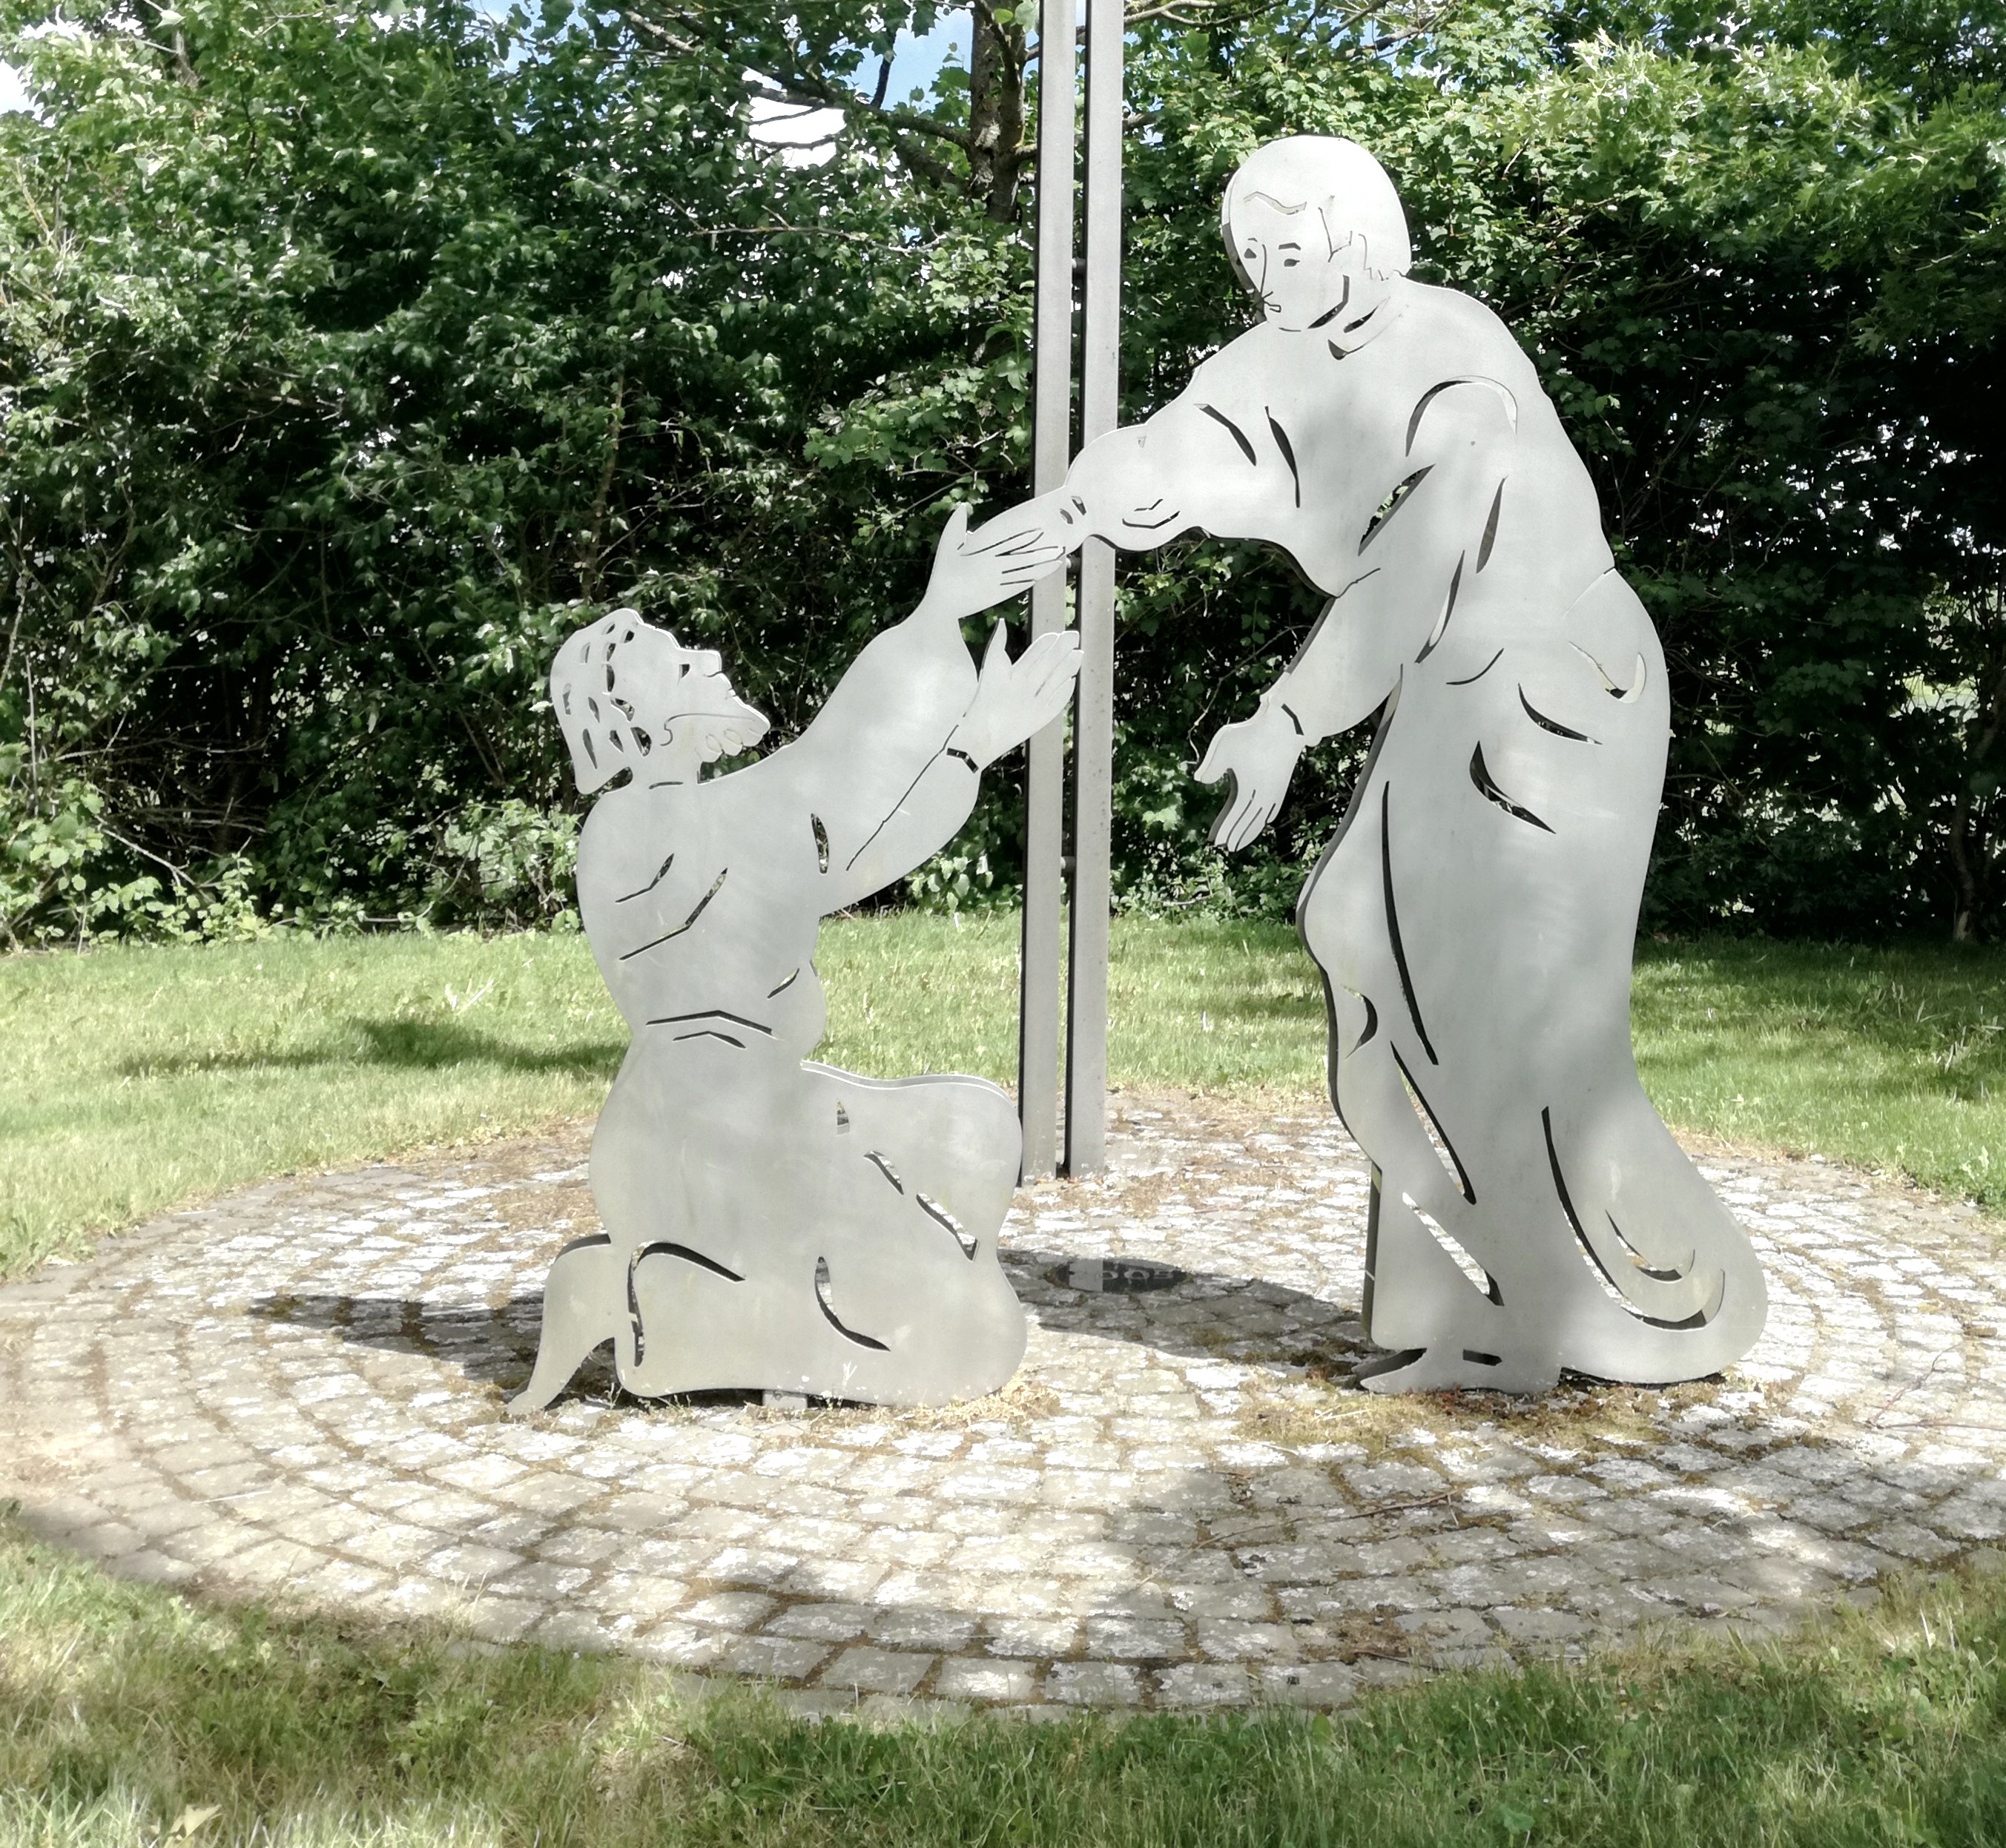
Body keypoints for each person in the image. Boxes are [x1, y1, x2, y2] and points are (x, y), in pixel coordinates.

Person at [1049, 135, 1766, 1393]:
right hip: (1454, 684)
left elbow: (1415, 557)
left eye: (1287, 250)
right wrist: (1107, 488)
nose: (1265, 277)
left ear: (1354, 235)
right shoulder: (1285, 351)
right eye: (1250, 255)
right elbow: (1187, 439)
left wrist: (1286, 720)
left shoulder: (1458, 355)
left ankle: (1563, 1303)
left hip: (1555, 696)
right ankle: (1474, 1289)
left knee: (1506, 1015)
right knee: (1355, 935)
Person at [511, 501, 1078, 1413]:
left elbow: (848, 831)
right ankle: (669, 1316)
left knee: (976, 1136)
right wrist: (942, 634)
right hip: (710, 1145)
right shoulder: (646, 824)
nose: (710, 659)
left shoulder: (673, 817)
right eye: (682, 664)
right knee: (959, 1300)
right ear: (644, 724)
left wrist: (969, 729)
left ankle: (697, 1304)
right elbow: (832, 786)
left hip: (744, 1120)